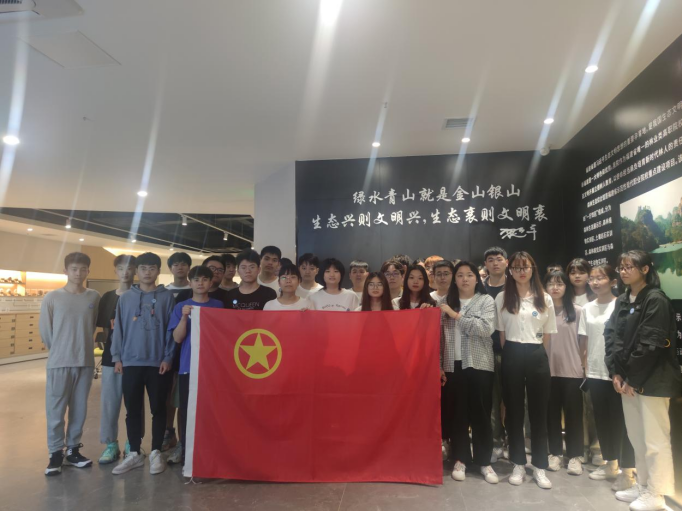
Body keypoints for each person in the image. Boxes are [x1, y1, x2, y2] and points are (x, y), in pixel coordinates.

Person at [606, 251, 681, 511]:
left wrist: (632, 378)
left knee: (655, 440)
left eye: (630, 267)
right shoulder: (623, 299)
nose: (624, 271)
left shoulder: (656, 299)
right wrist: (616, 373)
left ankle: (657, 494)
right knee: (637, 437)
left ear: (646, 269)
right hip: (628, 380)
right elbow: (612, 336)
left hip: (653, 381)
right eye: (621, 267)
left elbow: (651, 343)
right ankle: (643, 485)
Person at [110, 253, 176, 476]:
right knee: (132, 410)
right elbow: (118, 329)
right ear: (137, 271)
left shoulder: (167, 297)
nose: (147, 272)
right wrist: (117, 357)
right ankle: (134, 453)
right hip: (131, 362)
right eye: (143, 268)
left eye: (152, 268)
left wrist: (168, 357)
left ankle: (156, 451)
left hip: (158, 363)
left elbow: (171, 330)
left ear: (158, 271)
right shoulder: (126, 298)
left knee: (159, 408)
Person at [496, 251, 557, 489]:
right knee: (514, 411)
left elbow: (547, 335)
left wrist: (536, 354)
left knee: (538, 412)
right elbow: (502, 334)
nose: (521, 272)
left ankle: (540, 465)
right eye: (517, 267)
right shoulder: (502, 297)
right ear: (510, 270)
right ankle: (518, 463)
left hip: (536, 354)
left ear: (533, 269)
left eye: (526, 267)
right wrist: (512, 354)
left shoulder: (545, 298)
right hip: (511, 352)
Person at [41, 253, 101, 476]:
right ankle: (55, 452)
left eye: (83, 269)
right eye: (74, 269)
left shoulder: (93, 296)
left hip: (84, 362)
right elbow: (46, 331)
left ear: (88, 271)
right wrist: (60, 349)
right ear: (65, 271)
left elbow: (92, 326)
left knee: (79, 409)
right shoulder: (52, 297)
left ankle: (73, 450)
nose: (79, 273)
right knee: (55, 410)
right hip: (59, 362)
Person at [439, 261, 499, 485]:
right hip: (452, 366)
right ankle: (460, 459)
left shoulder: (486, 301)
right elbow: (438, 338)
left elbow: (485, 329)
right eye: (460, 275)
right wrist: (439, 365)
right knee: (458, 415)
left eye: (469, 275)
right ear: (454, 279)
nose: (465, 279)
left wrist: (455, 316)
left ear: (477, 278)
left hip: (480, 364)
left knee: (481, 414)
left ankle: (484, 461)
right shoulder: (444, 302)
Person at [581, 264, 636, 491]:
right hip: (595, 372)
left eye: (600, 278)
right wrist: (585, 367)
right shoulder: (587, 308)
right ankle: (610, 464)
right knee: (602, 420)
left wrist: (621, 371)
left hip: (617, 373)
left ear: (613, 281)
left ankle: (628, 471)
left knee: (623, 424)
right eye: (592, 278)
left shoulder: (621, 305)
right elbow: (584, 341)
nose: (595, 282)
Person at [169, 266, 224, 466]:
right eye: (196, 279)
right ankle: (187, 453)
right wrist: (184, 317)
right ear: (190, 283)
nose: (200, 283)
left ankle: (210, 452)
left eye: (204, 279)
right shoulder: (181, 307)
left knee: (211, 411)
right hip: (188, 367)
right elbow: (177, 338)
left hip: (212, 369)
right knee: (187, 412)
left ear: (211, 282)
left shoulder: (219, 306)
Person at [98, 255, 139, 465]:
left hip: (135, 358)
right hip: (110, 359)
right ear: (115, 270)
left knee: (134, 404)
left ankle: (133, 442)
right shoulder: (107, 297)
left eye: (130, 268)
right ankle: (110, 444)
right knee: (109, 404)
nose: (125, 272)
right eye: (121, 268)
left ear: (135, 271)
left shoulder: (140, 295)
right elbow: (106, 330)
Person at [543, 270, 586, 476]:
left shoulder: (577, 311)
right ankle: (555, 453)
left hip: (572, 371)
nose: (555, 287)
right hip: (547, 371)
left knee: (573, 416)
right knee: (551, 415)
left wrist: (583, 366)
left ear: (566, 287)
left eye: (559, 283)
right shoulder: (541, 311)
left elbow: (583, 341)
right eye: (551, 283)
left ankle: (575, 456)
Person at [163, 253, 192, 454]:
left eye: (183, 264)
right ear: (170, 268)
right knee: (167, 394)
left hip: (187, 351)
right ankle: (168, 431)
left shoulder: (195, 290)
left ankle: (184, 439)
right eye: (175, 264)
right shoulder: (164, 292)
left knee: (182, 396)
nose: (180, 267)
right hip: (167, 349)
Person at [483, 247, 508, 461]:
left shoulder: (516, 287)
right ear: (486, 265)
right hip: (486, 351)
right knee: (492, 400)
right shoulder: (479, 289)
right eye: (490, 260)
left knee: (514, 400)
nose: (495, 263)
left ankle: (515, 440)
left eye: (499, 259)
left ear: (506, 262)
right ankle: (496, 441)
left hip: (512, 351)